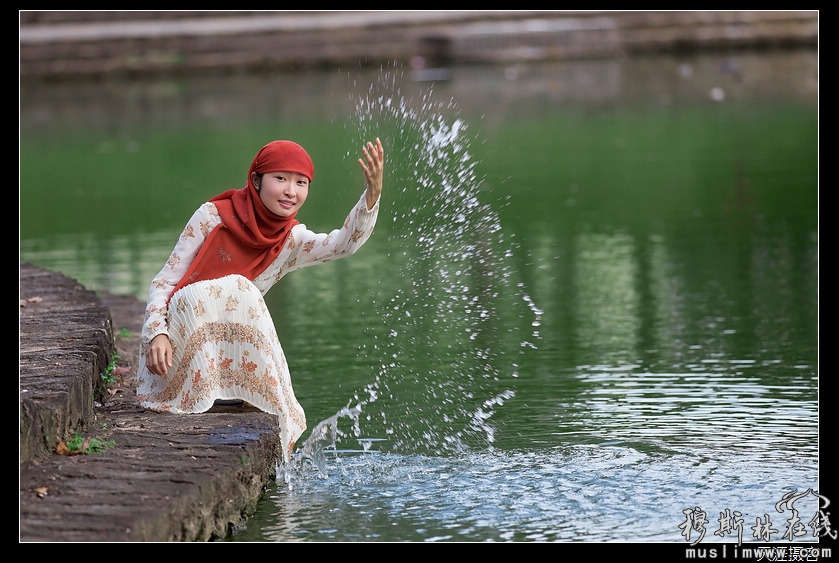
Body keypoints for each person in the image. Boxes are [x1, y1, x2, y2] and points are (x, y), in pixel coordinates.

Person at [136, 138, 384, 462]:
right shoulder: (213, 216)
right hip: (178, 348)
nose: (290, 191)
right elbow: (165, 281)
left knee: (242, 291)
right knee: (241, 287)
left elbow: (341, 245)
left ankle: (251, 401)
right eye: (280, 178)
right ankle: (216, 391)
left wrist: (371, 197)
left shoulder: (290, 241)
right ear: (256, 180)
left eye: (301, 182)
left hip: (230, 362)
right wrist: (158, 332)